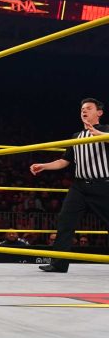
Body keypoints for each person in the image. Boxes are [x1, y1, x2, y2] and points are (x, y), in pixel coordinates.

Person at [31, 98, 109, 273]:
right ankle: (58, 263)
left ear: (99, 112)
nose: (84, 111)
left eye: (89, 108)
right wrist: (44, 166)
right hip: (79, 187)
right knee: (65, 221)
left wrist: (98, 134)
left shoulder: (106, 130)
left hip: (104, 185)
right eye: (82, 109)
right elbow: (64, 161)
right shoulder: (76, 136)